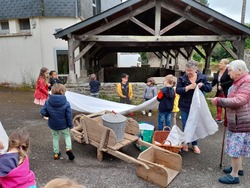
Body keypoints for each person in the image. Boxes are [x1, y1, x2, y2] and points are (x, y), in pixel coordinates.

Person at [208, 60, 250, 185]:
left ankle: (234, 175)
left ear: (239, 71)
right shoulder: (240, 81)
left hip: (240, 121)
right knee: (237, 147)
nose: (228, 72)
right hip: (237, 119)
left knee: (235, 148)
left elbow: (239, 101)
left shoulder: (246, 82)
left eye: (230, 70)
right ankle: (238, 168)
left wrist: (219, 101)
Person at [176, 60, 212, 154]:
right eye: (187, 70)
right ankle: (186, 142)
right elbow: (178, 90)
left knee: (195, 125)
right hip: (184, 105)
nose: (188, 73)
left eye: (190, 71)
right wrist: (187, 88)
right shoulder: (182, 78)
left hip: (197, 106)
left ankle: (195, 144)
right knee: (185, 124)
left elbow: (209, 88)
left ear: (196, 69)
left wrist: (202, 85)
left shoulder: (202, 77)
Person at [40, 84, 75, 160]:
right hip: (64, 125)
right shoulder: (66, 103)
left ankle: (56, 153)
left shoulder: (48, 102)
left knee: (55, 137)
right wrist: (70, 125)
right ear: (63, 92)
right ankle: (68, 148)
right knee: (67, 135)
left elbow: (42, 112)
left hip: (53, 124)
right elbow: (69, 116)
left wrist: (48, 114)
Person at [212, 59, 233, 123]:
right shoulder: (218, 72)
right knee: (218, 104)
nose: (219, 64)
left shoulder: (228, 72)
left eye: (221, 63)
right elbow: (215, 81)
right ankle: (219, 118)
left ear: (225, 64)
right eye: (219, 63)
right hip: (219, 92)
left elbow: (231, 81)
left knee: (226, 106)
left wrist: (222, 85)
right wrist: (207, 87)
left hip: (226, 92)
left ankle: (227, 119)